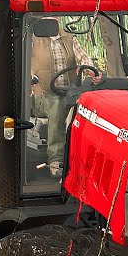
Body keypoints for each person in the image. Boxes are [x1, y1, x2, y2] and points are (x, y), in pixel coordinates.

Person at [29, 21, 94, 176]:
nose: (52, 19)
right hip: (41, 93)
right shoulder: (34, 39)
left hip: (69, 92)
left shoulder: (69, 38)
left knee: (89, 104)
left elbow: (84, 57)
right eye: (48, 16)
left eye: (55, 16)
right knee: (57, 105)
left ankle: (83, 157)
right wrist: (30, 78)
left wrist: (89, 68)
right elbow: (25, 64)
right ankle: (56, 160)